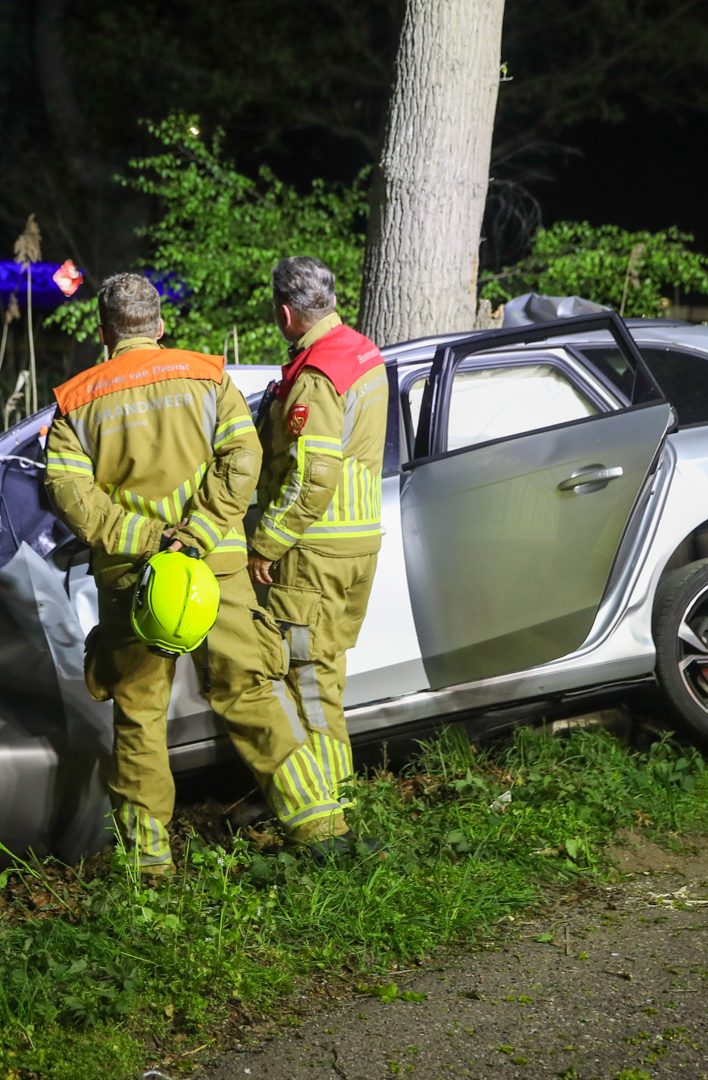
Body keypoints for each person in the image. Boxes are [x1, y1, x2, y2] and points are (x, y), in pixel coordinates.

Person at [45, 273, 344, 875]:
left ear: (104, 333)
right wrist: (198, 532)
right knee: (252, 691)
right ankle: (322, 829)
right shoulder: (207, 377)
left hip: (135, 584)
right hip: (217, 569)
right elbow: (244, 457)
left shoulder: (76, 403)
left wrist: (147, 540)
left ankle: (148, 866)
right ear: (160, 326)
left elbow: (72, 498)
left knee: (140, 715)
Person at [249, 256, 388, 849]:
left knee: (309, 685)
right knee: (326, 676)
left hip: (315, 552)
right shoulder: (362, 352)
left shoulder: (316, 376)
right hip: (356, 544)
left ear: (286, 313)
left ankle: (331, 824)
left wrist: (266, 542)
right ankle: (338, 803)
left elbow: (314, 476)